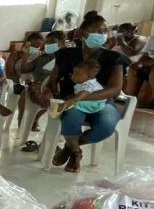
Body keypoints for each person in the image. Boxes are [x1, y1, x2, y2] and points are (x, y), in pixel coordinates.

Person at [43, 12, 128, 173]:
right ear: (83, 33)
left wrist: (81, 98)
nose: (101, 34)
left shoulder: (114, 58)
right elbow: (53, 79)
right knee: (71, 118)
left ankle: (69, 147)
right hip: (70, 101)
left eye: (104, 31)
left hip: (102, 101)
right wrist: (48, 90)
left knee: (106, 125)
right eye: (96, 31)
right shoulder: (67, 54)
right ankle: (76, 153)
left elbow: (115, 89)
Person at [16, 31, 62, 147]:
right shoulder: (42, 56)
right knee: (27, 97)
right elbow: (24, 69)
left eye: (52, 42)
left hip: (54, 90)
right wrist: (26, 54)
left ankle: (51, 136)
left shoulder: (64, 59)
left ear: (61, 43)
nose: (48, 44)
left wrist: (48, 88)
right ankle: (26, 129)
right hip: (36, 89)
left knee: (54, 101)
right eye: (47, 42)